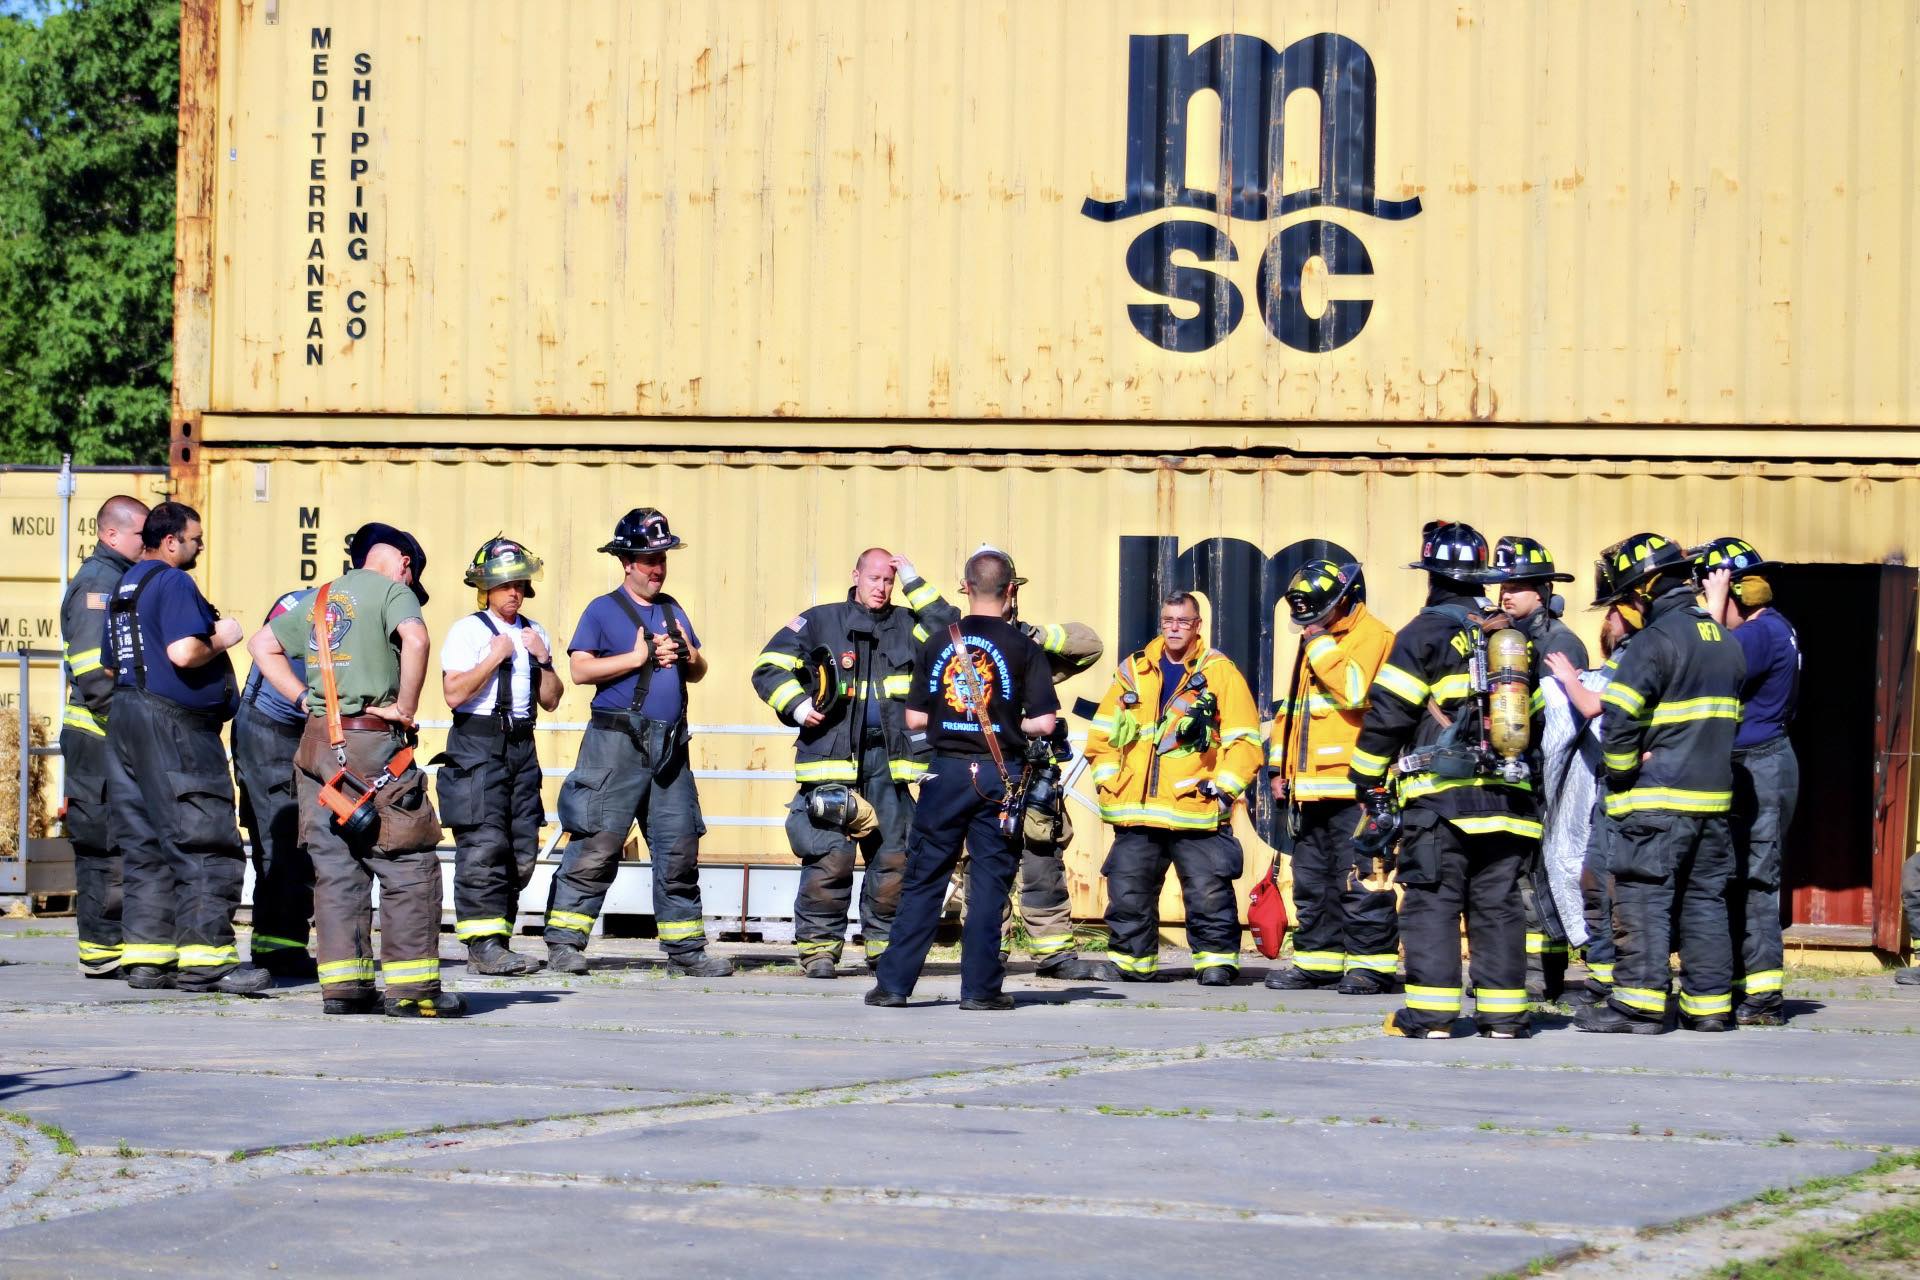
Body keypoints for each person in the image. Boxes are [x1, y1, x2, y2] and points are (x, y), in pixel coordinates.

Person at [251, 522, 455, 1017]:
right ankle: (413, 992)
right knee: (408, 862)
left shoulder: (320, 600)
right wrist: (405, 708)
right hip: (374, 743)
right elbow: (417, 640)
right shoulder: (392, 593)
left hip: (319, 747)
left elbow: (261, 645)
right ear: (404, 564)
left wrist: (302, 697)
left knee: (337, 870)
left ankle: (344, 988)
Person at [1349, 521, 1539, 1039]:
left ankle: (1431, 1016)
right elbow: (1533, 720)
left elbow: (1389, 713)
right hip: (1508, 799)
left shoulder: (1422, 635)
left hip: (1442, 803)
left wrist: (1364, 779)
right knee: (1498, 909)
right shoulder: (1509, 637)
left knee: (1433, 900)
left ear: (1431, 576)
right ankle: (1503, 1019)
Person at [866, 548, 1059, 1010]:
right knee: (990, 884)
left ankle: (893, 986)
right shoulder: (1024, 648)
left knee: (925, 879)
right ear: (1010, 591)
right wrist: (1010, 725)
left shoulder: (938, 643)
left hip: (944, 774)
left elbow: (913, 718)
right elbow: (1046, 724)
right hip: (1000, 776)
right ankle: (980, 990)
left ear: (965, 589)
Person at [751, 548, 955, 977]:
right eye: (874, 578)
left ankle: (883, 948)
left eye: (889, 581)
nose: (881, 588)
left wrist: (916, 583)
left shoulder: (908, 625)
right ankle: (819, 951)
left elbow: (947, 629)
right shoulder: (820, 620)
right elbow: (768, 668)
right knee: (830, 858)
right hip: (831, 761)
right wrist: (798, 706)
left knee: (894, 859)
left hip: (891, 763)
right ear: (855, 575)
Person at [545, 509, 731, 977]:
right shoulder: (602, 610)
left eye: (662, 558)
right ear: (626, 561)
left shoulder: (673, 609)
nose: (657, 568)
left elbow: (699, 668)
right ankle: (565, 943)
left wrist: (689, 654)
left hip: (669, 748)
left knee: (678, 846)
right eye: (648, 559)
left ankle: (686, 951)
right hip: (615, 746)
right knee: (597, 844)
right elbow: (580, 670)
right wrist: (637, 656)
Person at [1576, 532, 1745, 1035]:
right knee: (1704, 902)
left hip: (1657, 802)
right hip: (1712, 804)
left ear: (1644, 591)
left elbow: (1619, 720)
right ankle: (1709, 1008)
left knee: (1643, 899)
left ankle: (1640, 1007)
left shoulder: (1654, 642)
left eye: (1624, 600)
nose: (1624, 611)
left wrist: (1622, 772)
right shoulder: (1724, 643)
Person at [103, 501, 269, 994]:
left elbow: (112, 664)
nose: (200, 547)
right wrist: (226, 636)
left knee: (147, 842)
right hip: (174, 729)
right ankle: (207, 961)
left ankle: (148, 959)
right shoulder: (173, 582)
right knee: (203, 837)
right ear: (171, 541)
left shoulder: (125, 586)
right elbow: (184, 651)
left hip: (127, 716)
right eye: (195, 539)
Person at [1084, 591, 1263, 987]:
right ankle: (1132, 963)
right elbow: (1101, 737)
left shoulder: (1219, 673)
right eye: (1168, 620)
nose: (1174, 628)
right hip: (1136, 808)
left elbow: (1245, 742)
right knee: (1128, 890)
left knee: (1208, 891)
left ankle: (1216, 963)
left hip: (1195, 806)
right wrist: (1108, 783)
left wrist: (1224, 789)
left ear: (1198, 626)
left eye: (1183, 621)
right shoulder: (1134, 670)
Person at [945, 547, 1106, 980]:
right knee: (983, 865)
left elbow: (1090, 645)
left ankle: (1053, 954)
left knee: (1042, 860)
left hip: (1031, 771)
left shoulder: (1029, 645)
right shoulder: (961, 645)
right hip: (985, 772)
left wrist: (1035, 637)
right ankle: (984, 954)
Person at [1263, 559, 1399, 994]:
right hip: (1310, 788)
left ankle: (1371, 967)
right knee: (1313, 883)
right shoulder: (1316, 638)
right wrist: (1278, 769)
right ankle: (1317, 962)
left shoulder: (1371, 636)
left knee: (1361, 881)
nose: (1309, 624)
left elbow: (1355, 691)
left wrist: (1320, 642)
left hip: (1354, 785)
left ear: (1341, 603)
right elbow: (1296, 712)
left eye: (1317, 614)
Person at [437, 536, 562, 976]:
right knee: (483, 846)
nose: (514, 592)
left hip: (522, 746)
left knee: (520, 849)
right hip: (478, 744)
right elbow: (453, 694)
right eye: (505, 584)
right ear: (485, 588)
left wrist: (544, 660)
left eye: (520, 584)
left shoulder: (535, 632)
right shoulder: (467, 631)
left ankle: (499, 941)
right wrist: (494, 659)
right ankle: (482, 945)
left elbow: (551, 701)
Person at [1696, 537, 1801, 1025]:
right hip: (1753, 763)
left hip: (1759, 764)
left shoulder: (1759, 634)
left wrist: (1714, 610)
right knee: (1737, 875)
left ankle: (1762, 998)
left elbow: (1710, 664)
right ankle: (1743, 983)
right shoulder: (1774, 629)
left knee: (1757, 878)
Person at [1484, 536, 1589, 1001]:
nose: (1507, 593)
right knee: (1512, 877)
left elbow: (1560, 727)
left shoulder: (1559, 645)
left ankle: (1538, 976)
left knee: (1538, 876)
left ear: (1544, 589)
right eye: (1503, 584)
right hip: (1513, 775)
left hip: (1545, 780)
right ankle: (1517, 971)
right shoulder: (1506, 640)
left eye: (1519, 584)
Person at [57, 493, 147, 978]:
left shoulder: (122, 580)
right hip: (100, 738)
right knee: (103, 843)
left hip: (112, 738)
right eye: (140, 534)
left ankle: (120, 946)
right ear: (111, 535)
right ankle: (102, 952)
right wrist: (138, 730)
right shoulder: (98, 585)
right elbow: (95, 676)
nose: (148, 542)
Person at [1541, 578, 1639, 1006]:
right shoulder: (1631, 655)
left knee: (1603, 884)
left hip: (1622, 790)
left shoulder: (1633, 655)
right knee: (1599, 885)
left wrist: (1567, 678)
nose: (1608, 620)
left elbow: (1591, 706)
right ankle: (1604, 978)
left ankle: (1610, 981)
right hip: (1619, 787)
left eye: (1613, 612)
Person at [232, 587, 319, 978]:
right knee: (282, 839)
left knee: (288, 843)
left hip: (275, 730)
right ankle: (277, 950)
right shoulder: (324, 611)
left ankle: (281, 944)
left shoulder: (302, 600)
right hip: (273, 732)